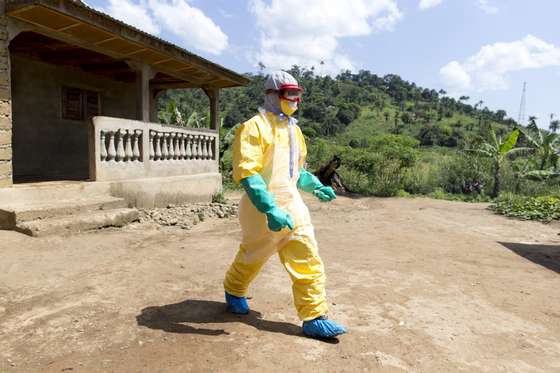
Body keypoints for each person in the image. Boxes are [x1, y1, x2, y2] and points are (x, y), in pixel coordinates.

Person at [223, 70, 347, 339]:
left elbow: (296, 171)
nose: (295, 100)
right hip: (259, 209)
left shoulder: (295, 131)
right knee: (253, 257)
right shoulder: (253, 127)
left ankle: (314, 315)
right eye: (290, 94)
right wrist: (269, 209)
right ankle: (234, 288)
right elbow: (249, 173)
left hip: (292, 203)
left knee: (308, 256)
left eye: (298, 95)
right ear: (273, 95)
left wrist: (316, 186)